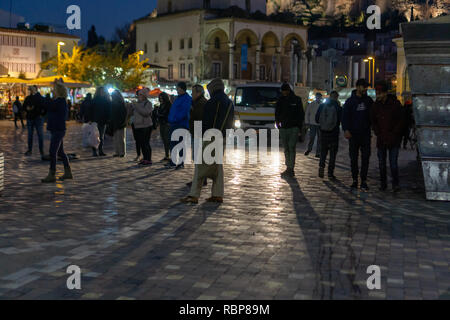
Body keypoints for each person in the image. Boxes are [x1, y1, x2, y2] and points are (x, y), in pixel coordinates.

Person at [180, 78, 234, 204]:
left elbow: (208, 121)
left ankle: (194, 194)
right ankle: (217, 194)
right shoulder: (229, 102)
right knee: (217, 166)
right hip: (223, 136)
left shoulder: (213, 102)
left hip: (211, 136)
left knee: (200, 164)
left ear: (213, 89)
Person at [371, 81, 405, 192]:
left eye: (379, 93)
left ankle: (395, 184)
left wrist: (394, 133)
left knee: (393, 163)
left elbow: (401, 121)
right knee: (381, 164)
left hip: (393, 139)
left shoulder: (395, 104)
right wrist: (378, 132)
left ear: (385, 93)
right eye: (377, 93)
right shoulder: (376, 105)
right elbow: (374, 121)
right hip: (381, 138)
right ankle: (383, 183)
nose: (378, 95)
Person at [342, 79, 374, 191]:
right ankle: (355, 180)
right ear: (358, 87)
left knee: (366, 158)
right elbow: (345, 117)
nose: (365, 89)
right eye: (364, 87)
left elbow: (372, 116)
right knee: (353, 158)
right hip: (353, 135)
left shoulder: (369, 101)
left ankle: (364, 181)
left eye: (366, 87)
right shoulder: (350, 102)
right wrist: (346, 129)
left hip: (365, 134)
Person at [41, 80, 73, 183]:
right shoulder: (59, 101)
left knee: (52, 151)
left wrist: (42, 97)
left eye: (54, 89)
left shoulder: (60, 101)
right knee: (60, 152)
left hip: (58, 130)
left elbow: (48, 105)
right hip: (58, 129)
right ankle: (68, 172)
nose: (53, 91)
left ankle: (52, 174)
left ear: (58, 91)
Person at [275, 82, 305, 178]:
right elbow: (277, 113)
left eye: (285, 91)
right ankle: (288, 167)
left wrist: (300, 128)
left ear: (288, 90)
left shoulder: (296, 100)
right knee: (286, 148)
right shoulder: (280, 100)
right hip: (283, 127)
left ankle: (291, 168)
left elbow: (301, 114)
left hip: (293, 127)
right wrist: (278, 123)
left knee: (291, 147)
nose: (284, 93)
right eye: (282, 91)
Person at [315, 91, 343, 180]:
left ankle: (321, 167)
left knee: (323, 152)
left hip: (323, 133)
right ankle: (330, 173)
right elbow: (341, 119)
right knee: (333, 154)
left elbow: (316, 119)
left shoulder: (322, 105)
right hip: (334, 133)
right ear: (337, 97)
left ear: (330, 96)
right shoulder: (338, 107)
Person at [187, 84, 208, 188]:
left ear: (199, 93)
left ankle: (199, 179)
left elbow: (198, 120)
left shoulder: (201, 103)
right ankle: (201, 178)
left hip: (199, 134)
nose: (192, 94)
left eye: (193, 92)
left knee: (198, 158)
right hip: (197, 133)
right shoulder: (197, 102)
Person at [166, 82, 192, 169]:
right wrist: (170, 119)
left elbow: (184, 112)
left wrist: (174, 119)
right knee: (172, 143)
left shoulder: (187, 98)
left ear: (181, 88)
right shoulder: (178, 98)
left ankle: (181, 163)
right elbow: (173, 110)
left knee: (180, 144)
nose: (176, 90)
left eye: (177, 88)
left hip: (181, 124)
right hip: (174, 123)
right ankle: (173, 161)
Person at [129, 88, 153, 166]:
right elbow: (132, 113)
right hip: (138, 126)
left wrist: (136, 105)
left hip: (146, 126)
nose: (138, 96)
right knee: (141, 143)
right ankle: (145, 158)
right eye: (138, 94)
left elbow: (145, 113)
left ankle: (148, 159)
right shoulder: (137, 103)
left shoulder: (148, 103)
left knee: (146, 143)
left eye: (140, 94)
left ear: (144, 96)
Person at [23, 85, 46, 159]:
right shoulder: (28, 98)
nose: (31, 90)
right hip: (30, 118)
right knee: (30, 135)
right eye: (30, 89)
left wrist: (41, 114)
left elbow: (44, 108)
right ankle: (30, 150)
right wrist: (27, 109)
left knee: (40, 134)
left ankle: (41, 150)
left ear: (36, 89)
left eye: (32, 89)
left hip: (38, 118)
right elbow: (24, 107)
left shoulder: (40, 98)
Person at [88, 87, 111, 157]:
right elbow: (90, 110)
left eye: (103, 91)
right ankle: (94, 151)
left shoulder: (107, 100)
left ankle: (100, 150)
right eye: (101, 91)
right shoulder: (95, 100)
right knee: (94, 136)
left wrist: (108, 119)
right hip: (95, 120)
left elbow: (109, 111)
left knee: (101, 136)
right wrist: (90, 119)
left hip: (103, 120)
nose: (102, 92)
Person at [110, 90, 128, 158]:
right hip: (116, 122)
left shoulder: (120, 103)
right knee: (117, 138)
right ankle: (118, 152)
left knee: (120, 138)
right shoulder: (115, 103)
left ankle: (121, 152)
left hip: (119, 122)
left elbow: (123, 114)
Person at [304, 93, 322, 157]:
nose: (318, 98)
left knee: (320, 139)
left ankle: (318, 152)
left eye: (319, 97)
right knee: (312, 137)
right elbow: (307, 113)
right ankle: (309, 149)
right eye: (317, 97)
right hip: (312, 123)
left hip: (320, 124)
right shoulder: (311, 104)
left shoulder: (322, 105)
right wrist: (307, 122)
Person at [157, 92, 172, 161]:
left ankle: (171, 156)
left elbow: (169, 114)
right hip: (162, 123)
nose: (160, 99)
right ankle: (166, 155)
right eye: (159, 98)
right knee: (164, 140)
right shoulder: (161, 105)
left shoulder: (169, 104)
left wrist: (161, 115)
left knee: (167, 140)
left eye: (162, 98)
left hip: (167, 124)